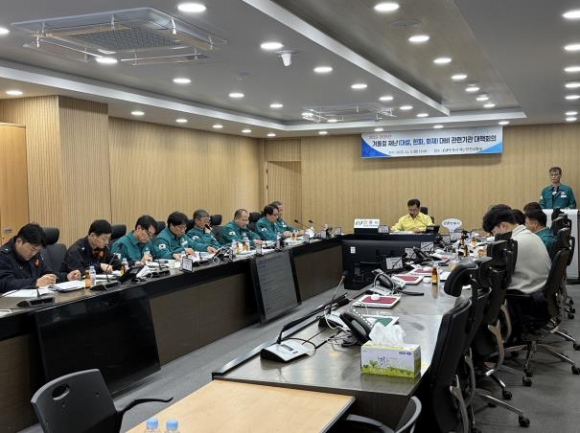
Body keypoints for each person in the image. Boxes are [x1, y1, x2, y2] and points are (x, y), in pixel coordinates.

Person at [482, 206, 550, 294]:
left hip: (525, 294)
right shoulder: (532, 236)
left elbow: (498, 274)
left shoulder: (514, 243)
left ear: (503, 226)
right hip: (540, 289)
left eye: (493, 232)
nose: (494, 236)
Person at [0, 224, 80, 293]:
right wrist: (35, 283)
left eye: (37, 250)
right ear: (19, 241)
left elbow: (45, 273)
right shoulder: (3, 255)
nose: (34, 253)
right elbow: (5, 283)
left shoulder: (34, 253)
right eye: (32, 249)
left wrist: (66, 277)